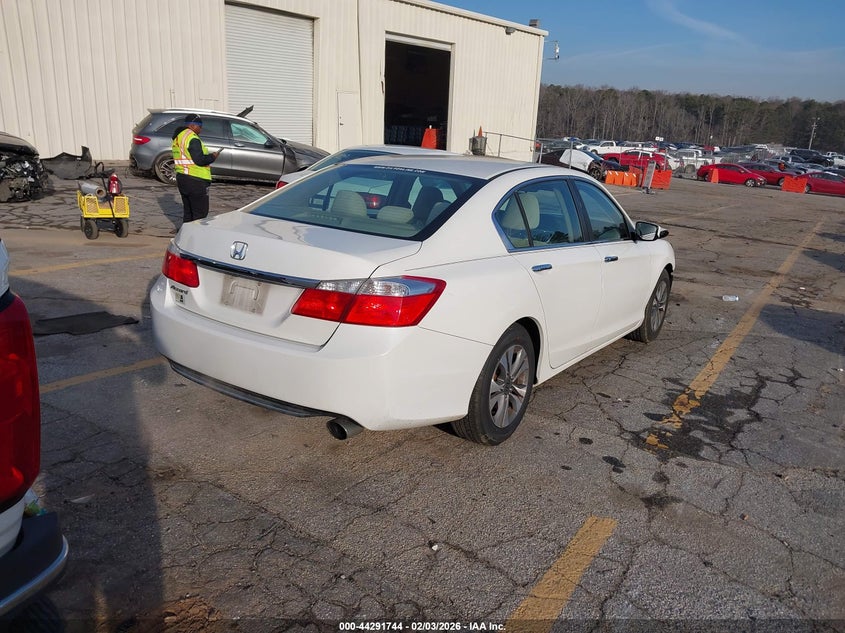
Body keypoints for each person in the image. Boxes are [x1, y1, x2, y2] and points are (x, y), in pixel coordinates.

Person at [171, 113, 221, 226]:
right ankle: (196, 239)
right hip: (196, 180)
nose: (201, 129)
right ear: (193, 126)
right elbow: (199, 160)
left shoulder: (178, 137)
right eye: (200, 126)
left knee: (188, 213)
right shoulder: (192, 138)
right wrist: (212, 157)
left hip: (182, 177)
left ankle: (185, 237)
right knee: (200, 214)